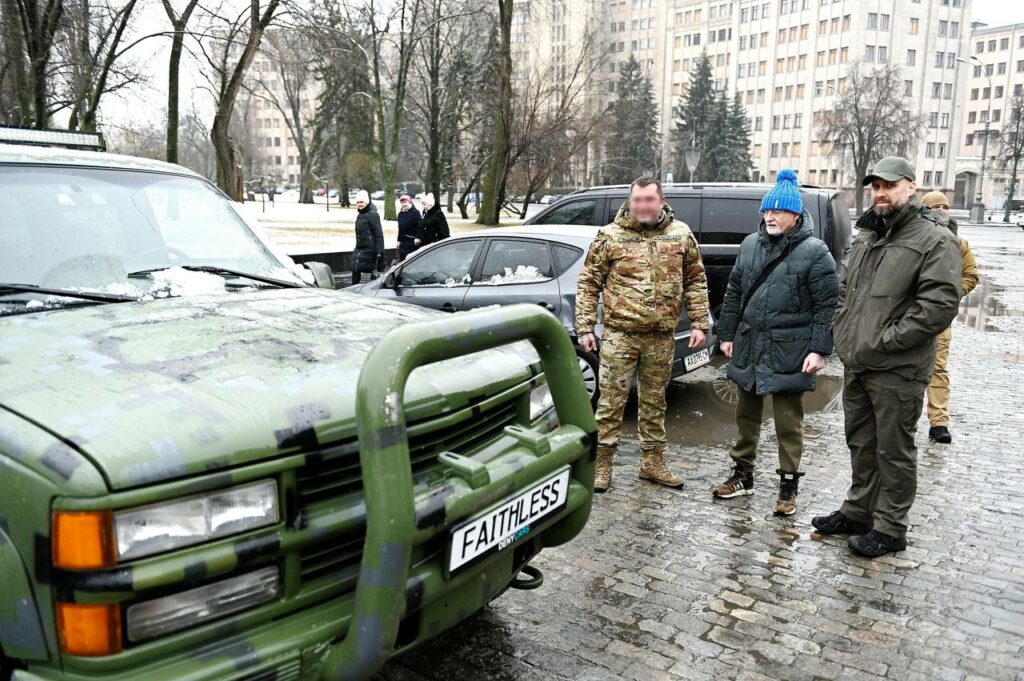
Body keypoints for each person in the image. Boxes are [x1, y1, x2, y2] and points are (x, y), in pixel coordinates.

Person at [813, 158, 962, 557]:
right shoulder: (868, 235)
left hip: (897, 367)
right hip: (859, 361)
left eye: (889, 185)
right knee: (861, 442)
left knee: (893, 448)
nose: (880, 193)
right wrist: (844, 336)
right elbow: (847, 292)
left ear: (910, 187)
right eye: (875, 186)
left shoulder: (934, 238)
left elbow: (939, 305)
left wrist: (887, 340)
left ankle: (891, 527)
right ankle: (859, 511)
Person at [712, 169, 839, 515]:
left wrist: (819, 348)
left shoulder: (815, 252)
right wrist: (726, 333)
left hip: (791, 348)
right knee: (745, 415)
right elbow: (735, 291)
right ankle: (742, 475)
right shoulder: (750, 244)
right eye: (766, 211)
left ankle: (788, 486)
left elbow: (829, 304)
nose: (769, 217)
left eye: (777, 212)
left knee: (788, 421)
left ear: (794, 215)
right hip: (751, 342)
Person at [576, 176, 709, 492]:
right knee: (610, 403)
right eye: (637, 200)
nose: (642, 207)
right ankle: (602, 465)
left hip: (661, 338)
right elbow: (588, 283)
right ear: (630, 201)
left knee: (654, 402)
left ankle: (652, 463)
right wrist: (584, 327)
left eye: (648, 200)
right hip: (620, 336)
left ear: (661, 201)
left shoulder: (680, 235)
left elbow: (695, 280)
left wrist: (700, 323)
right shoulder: (610, 237)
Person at [920, 191, 980, 444]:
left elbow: (971, 275)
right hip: (910, 314)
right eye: (937, 206)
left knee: (938, 367)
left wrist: (951, 294)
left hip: (941, 318)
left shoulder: (959, 243)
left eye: (946, 206)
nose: (942, 210)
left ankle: (939, 422)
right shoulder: (915, 239)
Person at [352, 190, 384, 285]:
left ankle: (374, 286)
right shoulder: (360, 215)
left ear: (366, 201)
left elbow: (378, 233)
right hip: (360, 247)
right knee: (355, 266)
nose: (359, 204)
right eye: (357, 202)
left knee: (369, 269)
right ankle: (354, 288)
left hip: (370, 248)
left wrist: (380, 251)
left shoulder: (372, 214)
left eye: (361, 202)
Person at [397, 193, 421, 261]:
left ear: (410, 202)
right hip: (403, 241)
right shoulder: (400, 214)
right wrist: (398, 240)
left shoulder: (415, 212)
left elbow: (419, 226)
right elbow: (400, 228)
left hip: (412, 241)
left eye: (405, 202)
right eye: (402, 203)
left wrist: (418, 237)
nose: (403, 204)